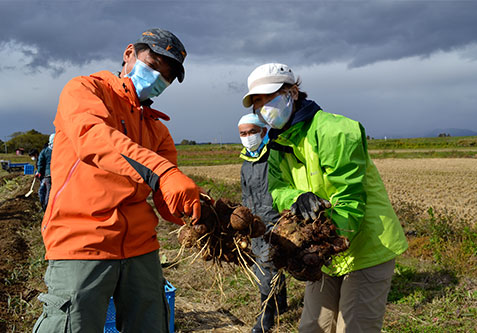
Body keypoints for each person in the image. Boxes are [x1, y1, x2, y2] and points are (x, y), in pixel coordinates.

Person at [33, 29, 201, 333]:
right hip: (82, 240)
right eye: (154, 64)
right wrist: (162, 172)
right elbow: (95, 139)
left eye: (167, 75)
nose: (158, 77)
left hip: (140, 246)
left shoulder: (156, 128)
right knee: (72, 325)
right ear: (129, 54)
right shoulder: (85, 90)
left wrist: (199, 213)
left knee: (153, 326)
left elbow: (167, 202)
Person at [241, 63, 408, 333]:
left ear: (293, 92)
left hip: (366, 245)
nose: (264, 108)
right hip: (324, 250)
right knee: (312, 327)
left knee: (354, 326)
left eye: (269, 98)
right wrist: (298, 198)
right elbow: (278, 189)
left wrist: (316, 249)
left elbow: (350, 200)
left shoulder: (334, 131)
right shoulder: (276, 144)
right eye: (257, 102)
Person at [238, 113, 287, 333]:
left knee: (266, 267)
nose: (248, 137)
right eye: (243, 134)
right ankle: (281, 304)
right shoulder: (246, 164)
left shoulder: (275, 156)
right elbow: (245, 195)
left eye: (252, 132)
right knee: (265, 264)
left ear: (263, 132)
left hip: (276, 220)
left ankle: (265, 317)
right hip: (256, 224)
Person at [36, 134, 54, 211]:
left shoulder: (45, 151)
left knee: (48, 191)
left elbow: (40, 164)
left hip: (48, 175)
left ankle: (46, 208)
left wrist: (39, 172)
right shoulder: (61, 150)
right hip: (59, 174)